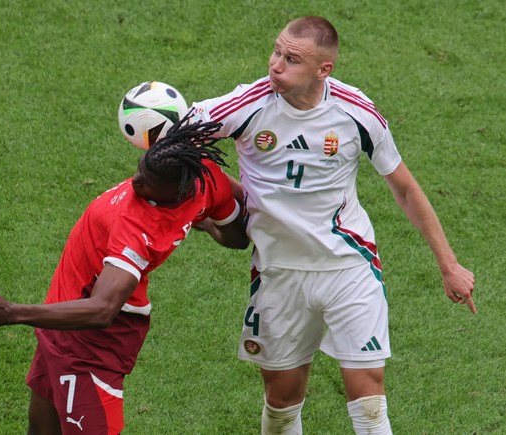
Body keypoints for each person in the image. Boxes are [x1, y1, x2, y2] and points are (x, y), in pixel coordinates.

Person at [189, 15, 476, 434]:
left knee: (370, 399)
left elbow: (406, 189)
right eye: (276, 51)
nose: (275, 65)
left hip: (349, 266)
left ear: (324, 69)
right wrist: (218, 195)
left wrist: (448, 264)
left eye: (292, 59)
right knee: (283, 401)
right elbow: (174, 140)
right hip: (279, 272)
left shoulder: (356, 111)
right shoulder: (246, 104)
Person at [0, 116, 249, 435]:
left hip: (86, 332)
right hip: (71, 326)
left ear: (178, 191)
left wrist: (13, 313)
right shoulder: (203, 173)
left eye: (146, 183)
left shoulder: (141, 226)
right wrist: (200, 219)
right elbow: (237, 234)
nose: (134, 183)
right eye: (139, 170)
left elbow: (103, 310)